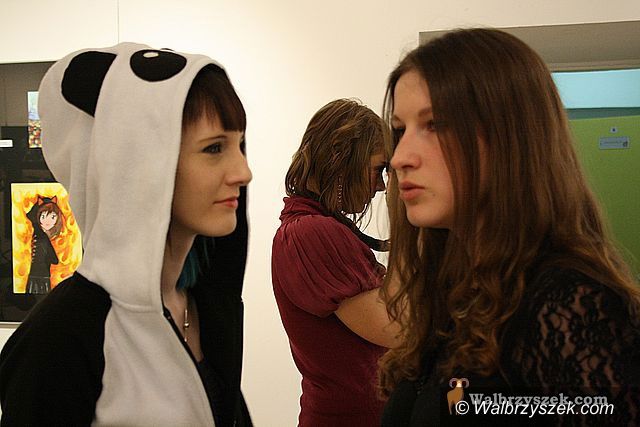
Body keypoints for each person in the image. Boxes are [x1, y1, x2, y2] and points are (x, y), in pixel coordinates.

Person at [379, 28, 640, 426]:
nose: (400, 157)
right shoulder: (461, 291)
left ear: (509, 138)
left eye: (435, 125)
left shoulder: (570, 304)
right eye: (400, 130)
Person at [0, 42, 253, 426]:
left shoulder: (206, 303)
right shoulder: (61, 339)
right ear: (141, 163)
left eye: (239, 144)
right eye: (214, 148)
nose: (243, 172)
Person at [272, 98, 400, 426]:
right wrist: (404, 213)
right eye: (378, 169)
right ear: (341, 158)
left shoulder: (312, 227)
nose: (381, 186)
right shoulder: (313, 232)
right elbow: (399, 328)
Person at [25, 195, 62, 294]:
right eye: (43, 216)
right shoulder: (42, 237)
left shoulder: (39, 234)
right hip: (41, 275)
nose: (48, 221)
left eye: (52, 217)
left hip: (37, 274)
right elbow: (54, 260)